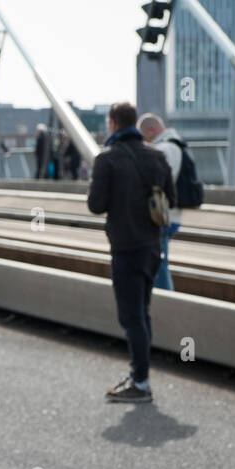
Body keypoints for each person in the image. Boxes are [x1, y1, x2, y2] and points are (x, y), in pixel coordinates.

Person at [87, 101, 176, 404]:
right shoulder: (158, 156)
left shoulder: (107, 159)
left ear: (113, 123)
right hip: (152, 246)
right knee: (143, 313)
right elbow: (171, 198)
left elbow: (96, 205)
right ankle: (141, 374)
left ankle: (140, 382)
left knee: (131, 316)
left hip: (125, 247)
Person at [138, 114, 185, 291]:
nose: (143, 142)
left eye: (143, 137)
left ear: (151, 131)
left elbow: (160, 183)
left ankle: (167, 304)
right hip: (168, 214)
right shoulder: (174, 144)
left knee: (159, 264)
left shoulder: (164, 149)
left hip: (163, 215)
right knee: (159, 261)